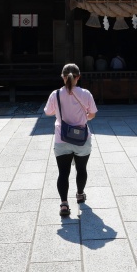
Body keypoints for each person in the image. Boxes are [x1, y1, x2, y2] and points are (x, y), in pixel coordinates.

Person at [43, 63, 98, 217]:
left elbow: (48, 112)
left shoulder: (56, 94)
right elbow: (92, 114)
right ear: (78, 77)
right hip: (82, 138)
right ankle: (80, 194)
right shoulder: (86, 93)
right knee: (81, 169)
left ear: (63, 77)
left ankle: (64, 204)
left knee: (63, 172)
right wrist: (84, 118)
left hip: (62, 138)